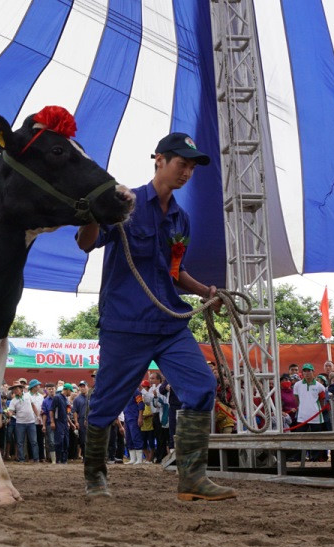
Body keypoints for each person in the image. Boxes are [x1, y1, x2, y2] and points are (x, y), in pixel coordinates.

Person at [75, 132, 234, 501]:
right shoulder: (124, 203)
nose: (187, 172)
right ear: (159, 160)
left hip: (170, 324)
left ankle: (192, 480)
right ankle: (95, 475)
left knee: (202, 387)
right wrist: (94, 213)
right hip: (125, 324)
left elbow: (175, 271)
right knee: (106, 404)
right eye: (182, 163)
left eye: (192, 167)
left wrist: (206, 292)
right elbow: (86, 242)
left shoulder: (181, 219)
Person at [5, 381, 39, 462]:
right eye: (14, 389)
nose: (15, 390)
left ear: (21, 389)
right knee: (20, 442)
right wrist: (9, 414)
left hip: (30, 422)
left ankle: (36, 458)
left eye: (16, 388)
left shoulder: (28, 395)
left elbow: (33, 406)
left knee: (33, 441)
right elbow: (11, 412)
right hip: (20, 423)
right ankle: (21, 459)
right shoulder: (13, 401)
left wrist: (37, 415)